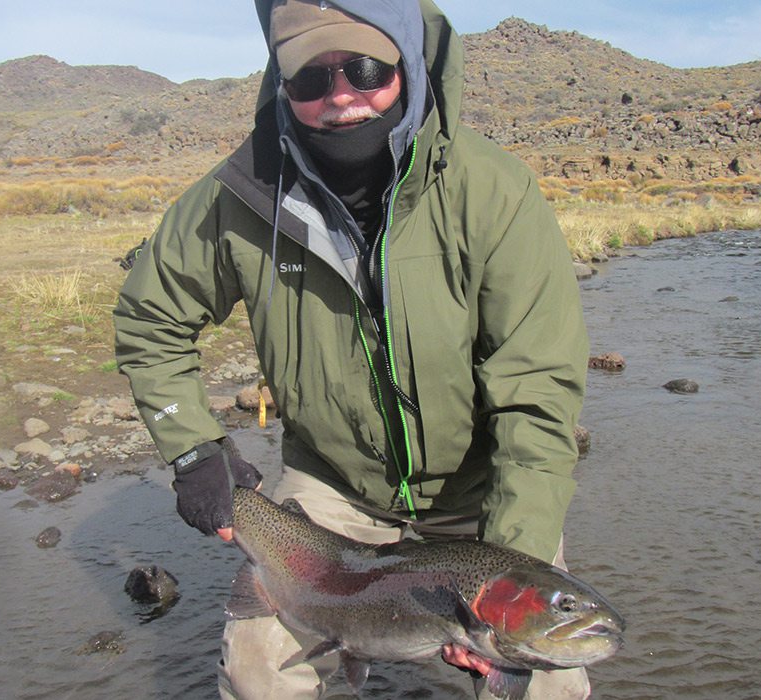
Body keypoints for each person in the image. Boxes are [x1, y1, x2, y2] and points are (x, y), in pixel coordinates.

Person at [113, 0, 590, 697]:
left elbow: (538, 398)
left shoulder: (494, 192)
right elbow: (150, 318)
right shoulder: (240, 197)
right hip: (330, 490)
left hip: (480, 493)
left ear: (405, 62)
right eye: (309, 78)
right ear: (281, 84)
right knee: (258, 674)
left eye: (365, 68)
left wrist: (500, 575)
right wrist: (192, 451)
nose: (340, 96)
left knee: (541, 677)